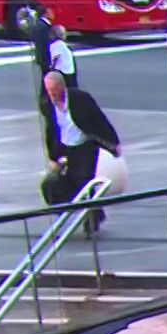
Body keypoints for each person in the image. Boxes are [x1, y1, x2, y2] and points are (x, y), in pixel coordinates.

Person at [40, 72, 119, 236]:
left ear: (62, 87)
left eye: (54, 90)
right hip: (66, 148)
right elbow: (51, 131)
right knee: (58, 182)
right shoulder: (48, 105)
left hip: (85, 146)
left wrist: (113, 142)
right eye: (49, 90)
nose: (52, 94)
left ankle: (92, 219)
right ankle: (92, 211)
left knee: (84, 180)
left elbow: (99, 119)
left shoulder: (80, 99)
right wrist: (53, 157)